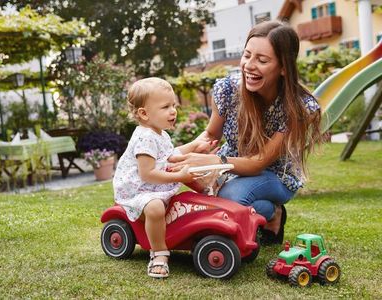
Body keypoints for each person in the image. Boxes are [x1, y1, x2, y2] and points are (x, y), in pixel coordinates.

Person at [169, 20, 323, 245]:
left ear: (283, 67)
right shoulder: (228, 90)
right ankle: (271, 213)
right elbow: (211, 134)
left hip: (276, 176)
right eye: (247, 55)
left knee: (230, 197)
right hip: (232, 167)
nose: (249, 65)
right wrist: (183, 152)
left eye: (262, 60)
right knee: (193, 181)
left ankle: (261, 216)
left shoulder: (299, 109)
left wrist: (213, 161)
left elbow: (258, 163)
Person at [113, 77, 213, 278]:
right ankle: (158, 253)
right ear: (144, 113)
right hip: (139, 191)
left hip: (154, 186)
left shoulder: (159, 133)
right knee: (156, 207)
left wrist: (194, 148)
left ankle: (208, 194)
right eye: (166, 106)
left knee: (184, 167)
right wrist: (178, 173)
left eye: (173, 105)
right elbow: (147, 173)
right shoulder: (145, 137)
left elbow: (170, 155)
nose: (173, 111)